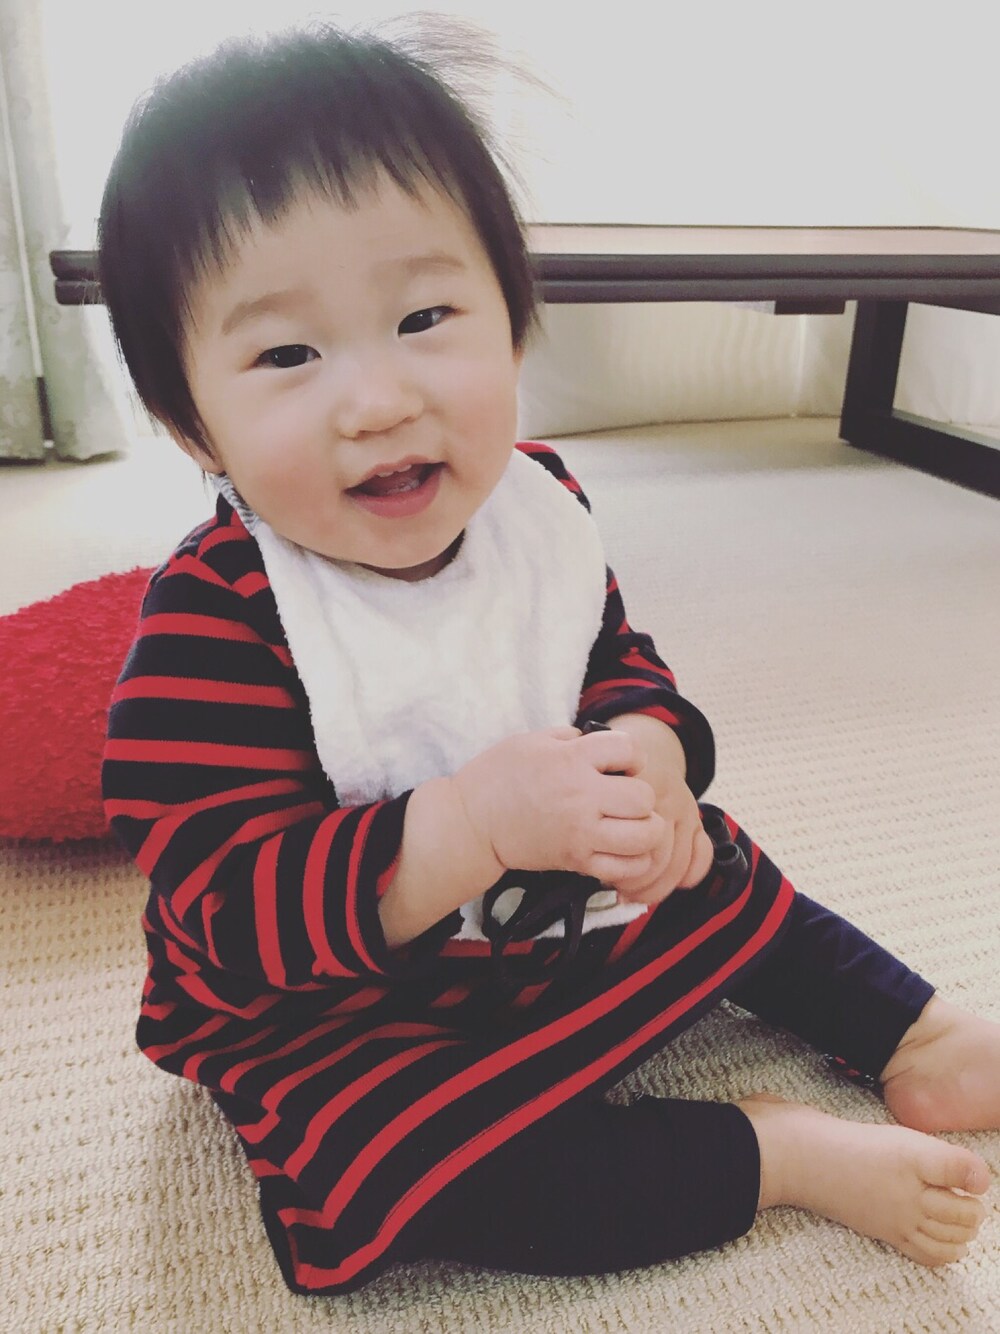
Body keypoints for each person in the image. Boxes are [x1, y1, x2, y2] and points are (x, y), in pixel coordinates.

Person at [98, 20, 999, 1297]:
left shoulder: (539, 512)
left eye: (425, 317)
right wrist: (465, 826)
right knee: (382, 1174)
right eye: (288, 354)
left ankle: (914, 1029)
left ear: (515, 325)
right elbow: (229, 911)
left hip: (551, 911)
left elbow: (619, 661)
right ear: (192, 422)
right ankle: (771, 1151)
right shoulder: (221, 617)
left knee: (715, 862)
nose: (379, 399)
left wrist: (649, 753)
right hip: (344, 1002)